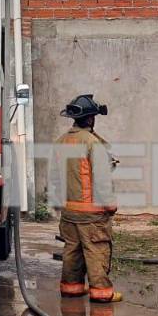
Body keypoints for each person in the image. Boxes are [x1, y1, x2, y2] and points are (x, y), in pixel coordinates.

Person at [51, 94, 122, 303]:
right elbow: (101, 179)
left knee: (72, 250)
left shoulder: (61, 142)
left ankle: (71, 288)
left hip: (69, 212)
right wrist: (110, 205)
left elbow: (55, 177)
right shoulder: (93, 143)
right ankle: (101, 293)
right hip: (91, 214)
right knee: (96, 250)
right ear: (91, 119)